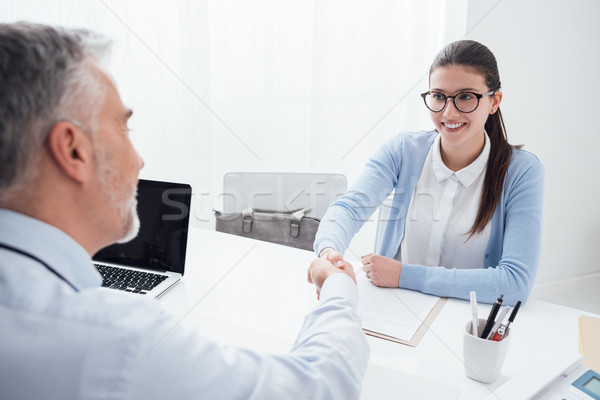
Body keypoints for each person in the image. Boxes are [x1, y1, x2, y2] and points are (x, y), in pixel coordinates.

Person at [0, 22, 368, 399]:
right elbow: (320, 388)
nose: (140, 161)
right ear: (73, 150)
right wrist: (340, 289)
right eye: (125, 130)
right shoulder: (115, 340)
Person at [315, 40, 544, 306]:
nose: (449, 112)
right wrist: (329, 254)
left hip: (467, 319)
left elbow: (515, 284)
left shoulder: (523, 172)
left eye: (466, 96)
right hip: (397, 309)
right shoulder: (403, 150)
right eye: (438, 96)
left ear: (494, 102)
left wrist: (406, 275)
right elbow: (348, 208)